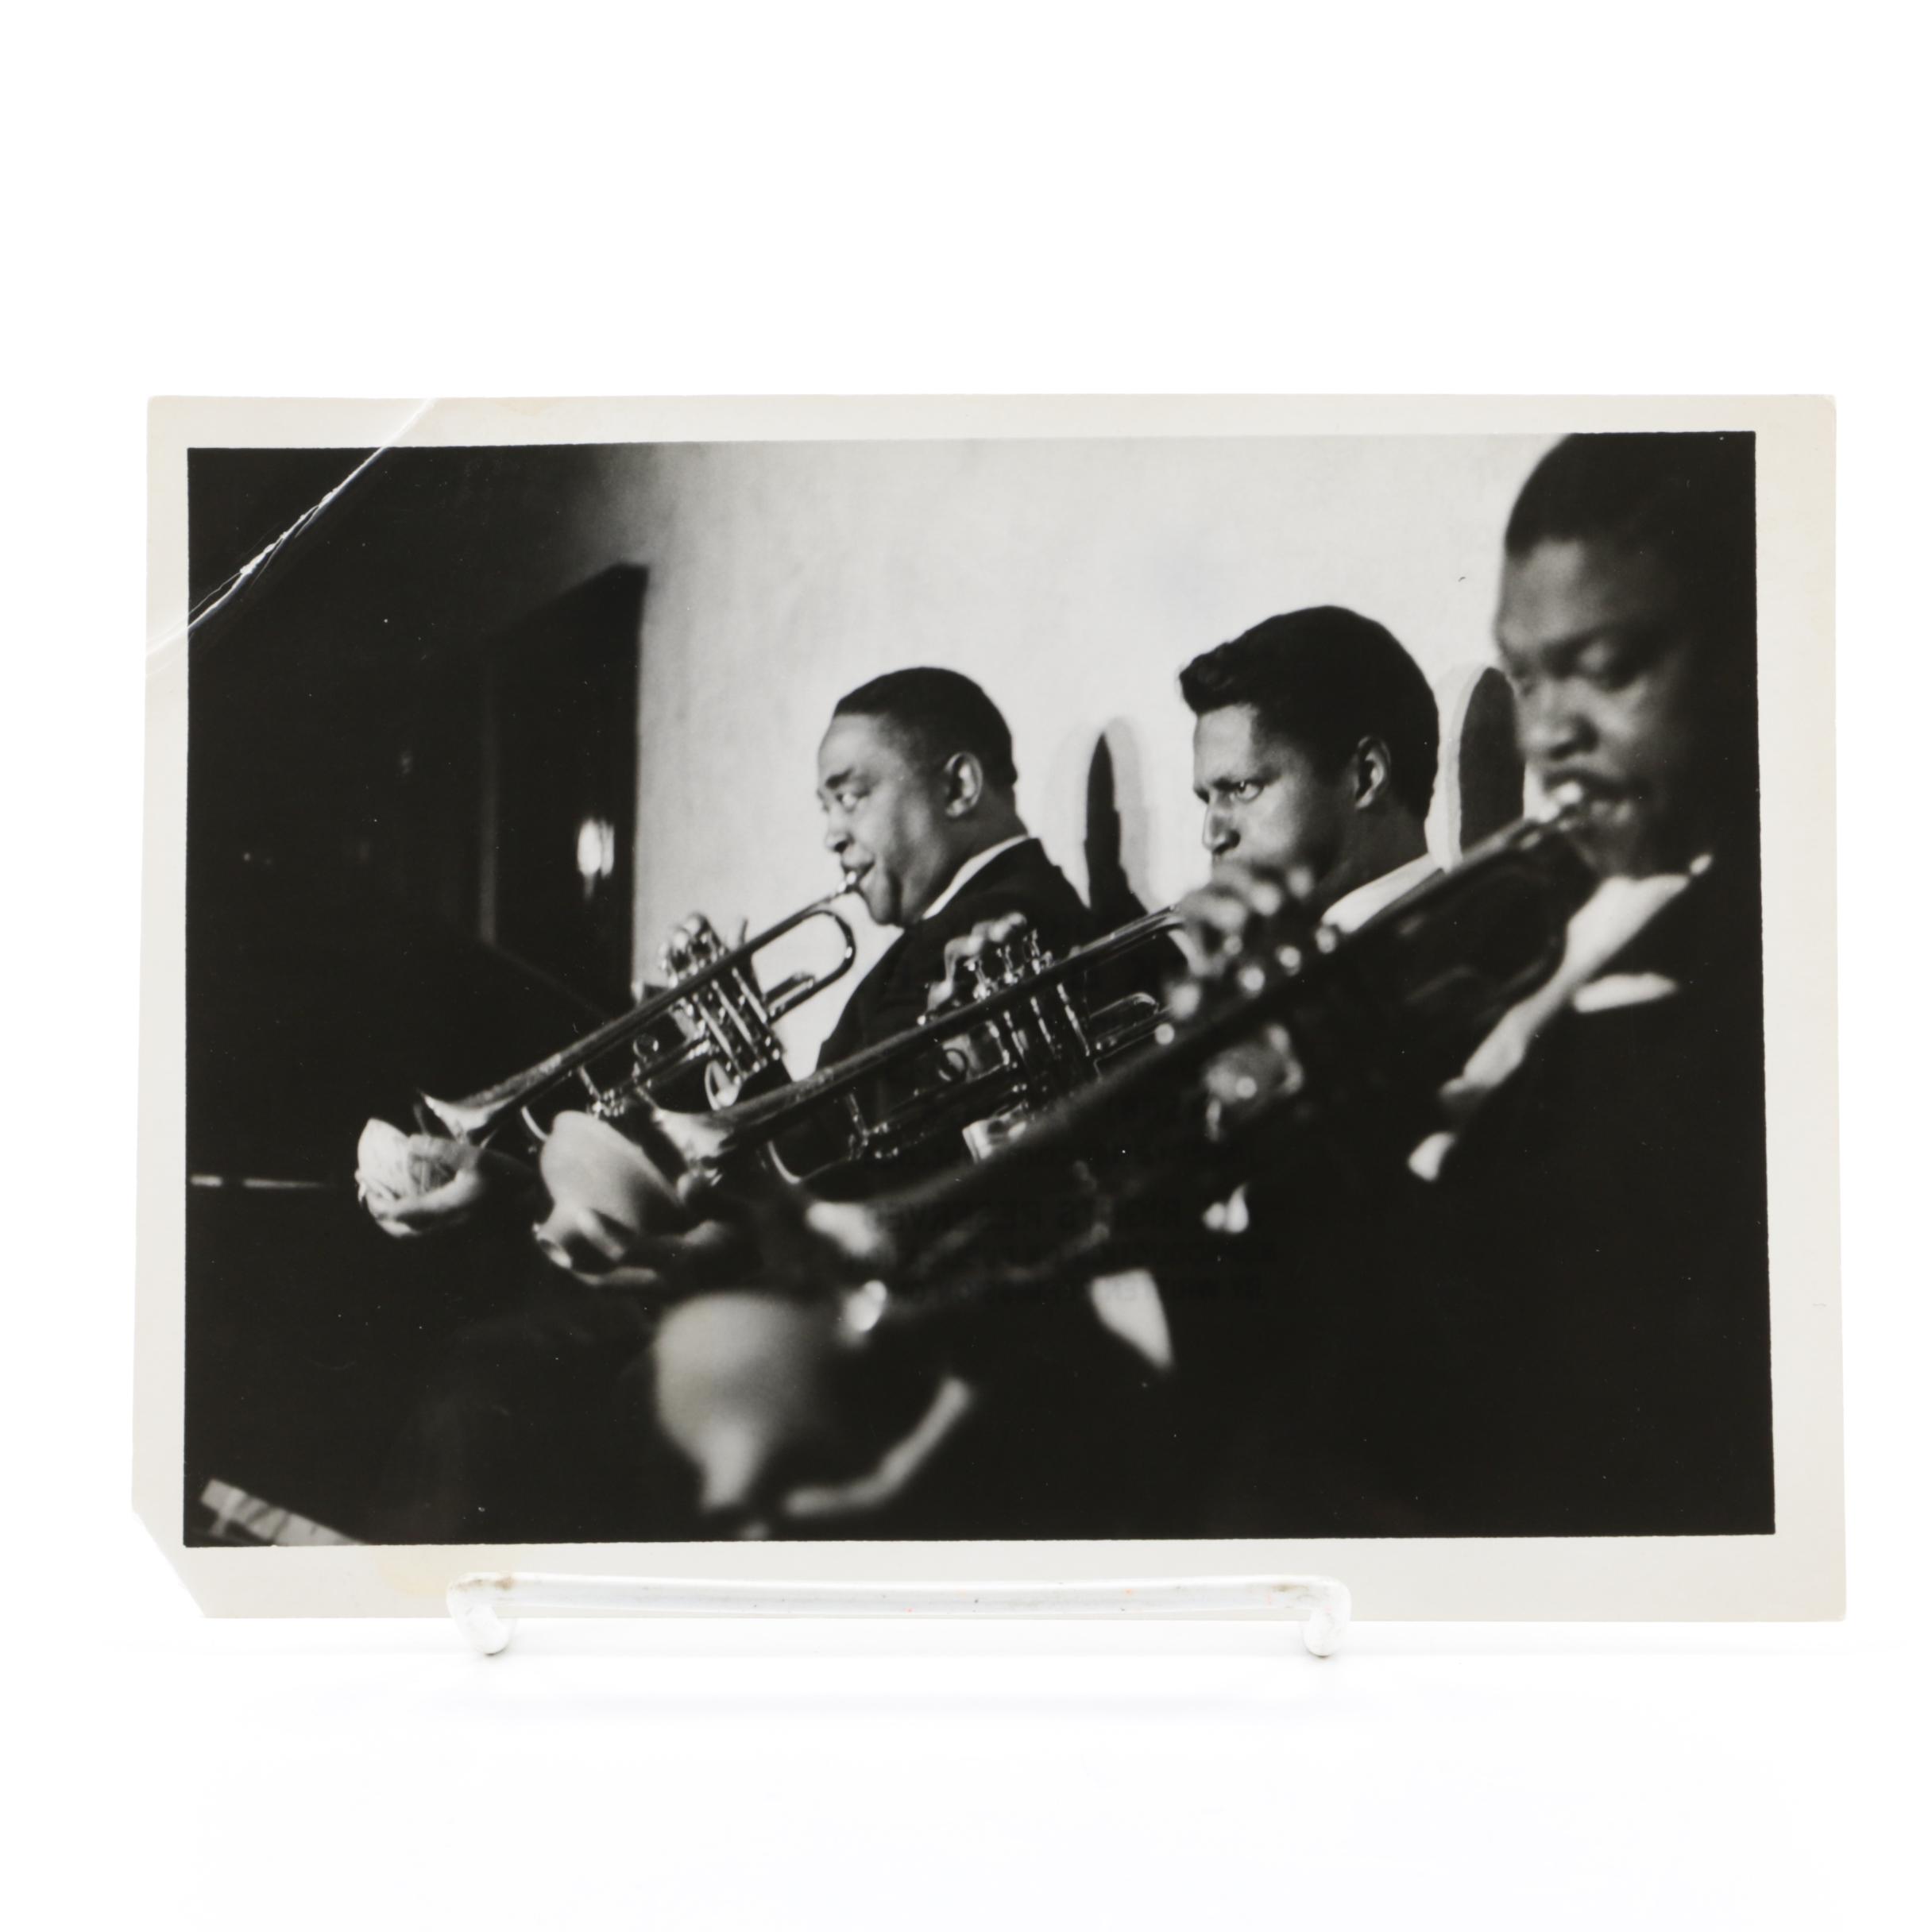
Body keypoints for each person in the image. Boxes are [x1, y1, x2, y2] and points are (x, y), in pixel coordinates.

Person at [1198, 431, 1773, 1535]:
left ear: (1748, 653)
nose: (1549, 735)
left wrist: (1302, 1099)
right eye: (1527, 677)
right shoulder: (1553, 917)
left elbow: (1504, 1353)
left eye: (1608, 668)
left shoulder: (1749, 959)